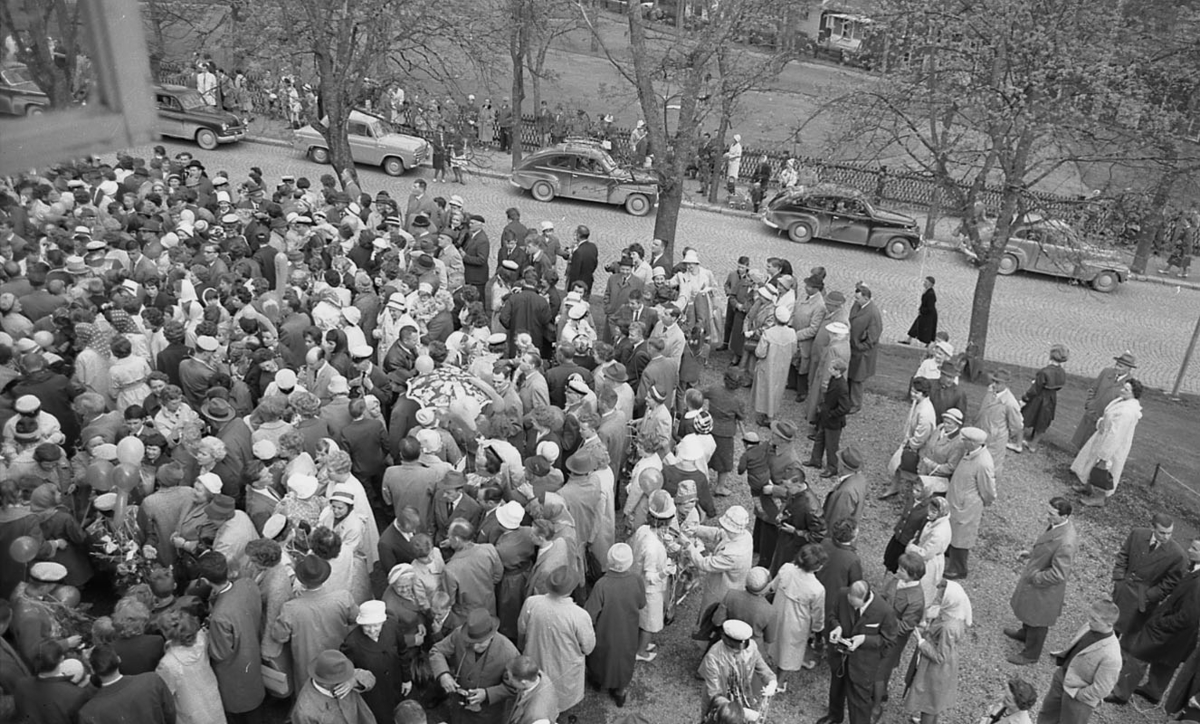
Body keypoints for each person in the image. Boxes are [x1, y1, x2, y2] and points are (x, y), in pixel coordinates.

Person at [1106, 536, 1200, 707]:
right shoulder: (1194, 569)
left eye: (1194, 549)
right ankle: (1153, 691)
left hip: (1170, 628)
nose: (1189, 550)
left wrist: (1159, 623)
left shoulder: (1198, 582)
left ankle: (1120, 693)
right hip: (1181, 633)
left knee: (1138, 656)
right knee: (1167, 661)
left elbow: (1188, 616)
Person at [1005, 497, 1078, 666]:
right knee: (1029, 610)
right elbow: (1047, 548)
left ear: (1064, 516)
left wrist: (1036, 577)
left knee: (1038, 621)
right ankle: (1025, 634)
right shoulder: (1057, 526)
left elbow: (1059, 574)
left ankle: (1031, 654)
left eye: (1052, 514)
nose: (1047, 516)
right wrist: (1031, 554)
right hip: (1038, 581)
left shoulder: (1066, 542)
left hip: (1045, 588)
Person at [817, 580, 899, 724]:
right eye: (850, 603)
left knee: (859, 700)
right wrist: (837, 626)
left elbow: (889, 640)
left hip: (863, 662)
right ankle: (834, 716)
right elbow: (832, 615)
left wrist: (865, 639)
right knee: (836, 688)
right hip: (840, 655)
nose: (853, 607)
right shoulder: (842, 594)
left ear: (865, 598)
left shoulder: (885, 611)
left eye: (856, 605)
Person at [198, 551, 266, 723]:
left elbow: (220, 654)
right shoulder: (247, 584)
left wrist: (206, 636)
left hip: (235, 673)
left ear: (205, 580)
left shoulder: (220, 616)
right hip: (253, 652)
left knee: (244, 712)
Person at [517, 566, 596, 712]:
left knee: (538, 698)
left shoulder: (532, 603)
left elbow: (521, 630)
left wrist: (523, 648)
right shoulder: (579, 615)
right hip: (565, 667)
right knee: (562, 697)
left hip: (535, 660)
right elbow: (588, 647)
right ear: (571, 589)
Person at [1036, 600, 1122, 724]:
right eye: (1089, 616)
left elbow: (1103, 688)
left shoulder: (1112, 655)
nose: (1089, 621)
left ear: (1109, 624)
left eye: (1094, 619)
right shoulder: (1089, 626)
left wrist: (1079, 694)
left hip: (1078, 697)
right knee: (1047, 715)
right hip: (1062, 678)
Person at [430, 608, 520, 724]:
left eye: (480, 643)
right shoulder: (459, 634)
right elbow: (437, 651)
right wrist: (443, 675)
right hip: (459, 711)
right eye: (471, 642)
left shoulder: (509, 653)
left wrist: (487, 694)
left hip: (487, 715)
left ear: (491, 636)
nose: (475, 647)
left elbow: (514, 687)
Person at [903, 580, 973, 724]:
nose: (938, 598)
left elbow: (940, 656)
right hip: (944, 667)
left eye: (941, 596)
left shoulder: (948, 627)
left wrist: (921, 642)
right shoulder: (954, 613)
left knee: (928, 703)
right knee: (935, 702)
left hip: (935, 670)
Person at [585, 543, 646, 707]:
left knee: (600, 658)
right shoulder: (636, 580)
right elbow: (642, 603)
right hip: (628, 631)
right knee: (624, 660)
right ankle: (620, 692)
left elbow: (590, 614)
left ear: (609, 561)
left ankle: (597, 681)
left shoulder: (602, 584)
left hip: (605, 631)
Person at [1109, 513, 1187, 637]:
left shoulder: (1177, 555)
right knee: (1109, 621)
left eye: (1169, 533)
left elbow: (1171, 582)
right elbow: (1124, 554)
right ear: (1152, 528)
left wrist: (1150, 596)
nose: (1166, 537)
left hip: (1143, 596)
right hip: (1124, 587)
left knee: (1131, 632)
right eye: (1162, 533)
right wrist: (1119, 577)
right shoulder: (1137, 534)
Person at [1070, 377, 1144, 507]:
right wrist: (1101, 423)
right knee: (1090, 461)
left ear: (1134, 393)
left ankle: (1099, 497)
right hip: (1103, 436)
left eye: (1126, 390)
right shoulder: (1121, 401)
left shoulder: (1127, 412)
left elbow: (1116, 434)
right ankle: (1088, 486)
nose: (1122, 390)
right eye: (1123, 387)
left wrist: (1105, 455)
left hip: (1112, 444)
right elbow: (1108, 416)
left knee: (1104, 470)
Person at [339, 600, 413, 724]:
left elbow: (403, 652)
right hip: (374, 695)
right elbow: (348, 672)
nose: (372, 630)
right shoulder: (351, 643)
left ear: (383, 622)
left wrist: (406, 679)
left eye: (376, 625)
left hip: (395, 684)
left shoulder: (393, 627)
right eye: (367, 626)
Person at [767, 543, 827, 689]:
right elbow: (818, 613)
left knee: (774, 641)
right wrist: (818, 629)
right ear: (818, 567)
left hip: (778, 612)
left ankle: (768, 670)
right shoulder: (817, 589)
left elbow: (772, 587)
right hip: (797, 623)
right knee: (789, 651)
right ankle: (779, 682)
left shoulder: (786, 568)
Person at [155, 610, 227, 724]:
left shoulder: (167, 664)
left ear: (166, 633)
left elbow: (165, 694)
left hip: (189, 710)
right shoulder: (202, 640)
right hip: (211, 699)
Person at [944, 427, 995, 580]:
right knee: (953, 529)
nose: (962, 441)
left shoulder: (983, 463)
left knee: (962, 537)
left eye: (965, 439)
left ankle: (959, 569)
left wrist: (982, 502)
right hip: (957, 499)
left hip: (967, 505)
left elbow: (988, 490)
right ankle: (950, 554)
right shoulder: (969, 452)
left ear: (973, 443)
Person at [78, 645, 176, 724]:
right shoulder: (152, 681)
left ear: (92, 670)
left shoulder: (88, 713)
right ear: (118, 659)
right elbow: (170, 714)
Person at [699, 620, 777, 719]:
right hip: (721, 704)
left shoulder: (751, 646)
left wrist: (771, 681)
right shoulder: (713, 656)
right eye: (734, 647)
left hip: (742, 696)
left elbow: (761, 666)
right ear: (726, 640)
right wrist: (741, 712)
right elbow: (714, 694)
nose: (739, 651)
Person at [1070, 351, 1136, 451]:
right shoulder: (1106, 372)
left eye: (1121, 366)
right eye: (1117, 365)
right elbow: (1093, 388)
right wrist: (1089, 403)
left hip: (1107, 416)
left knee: (1097, 442)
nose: (1117, 368)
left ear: (1128, 368)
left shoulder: (1130, 383)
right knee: (1084, 436)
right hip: (1093, 410)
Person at [289, 649, 376, 724]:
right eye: (341, 678)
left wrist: (354, 681)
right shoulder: (304, 711)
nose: (346, 678)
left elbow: (370, 678)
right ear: (326, 683)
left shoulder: (341, 673)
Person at [751, 306, 796, 427]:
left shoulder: (769, 333)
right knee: (777, 389)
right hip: (783, 367)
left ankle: (766, 415)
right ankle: (772, 413)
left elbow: (760, 352)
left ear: (775, 318)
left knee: (765, 390)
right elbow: (793, 351)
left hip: (768, 366)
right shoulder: (792, 333)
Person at [973, 368, 1023, 474]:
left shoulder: (1010, 403)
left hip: (995, 440)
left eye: (998, 383)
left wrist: (999, 433)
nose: (994, 384)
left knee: (991, 466)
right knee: (975, 459)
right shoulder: (990, 390)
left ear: (1006, 384)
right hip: (981, 430)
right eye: (993, 381)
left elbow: (1017, 425)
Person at [1020, 345, 1069, 452]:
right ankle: (1033, 445)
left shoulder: (1044, 372)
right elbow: (1059, 386)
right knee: (1043, 421)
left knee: (1026, 416)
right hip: (1051, 398)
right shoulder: (1062, 372)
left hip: (1039, 398)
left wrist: (1025, 399)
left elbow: (1035, 389)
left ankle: (1018, 442)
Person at [846, 285, 882, 414]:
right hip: (853, 348)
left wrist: (861, 347)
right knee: (850, 375)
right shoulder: (858, 305)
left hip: (862, 353)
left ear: (866, 298)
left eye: (858, 298)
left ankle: (855, 404)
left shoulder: (873, 313)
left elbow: (873, 336)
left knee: (857, 379)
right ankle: (848, 399)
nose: (855, 300)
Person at [504, 655, 560, 724]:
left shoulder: (537, 717)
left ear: (523, 682)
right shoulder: (535, 674)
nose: (509, 680)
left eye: (510, 678)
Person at [899, 276, 938, 346]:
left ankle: (927, 344)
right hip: (925, 314)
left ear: (930, 284)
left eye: (926, 282)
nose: (924, 283)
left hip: (929, 316)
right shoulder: (927, 291)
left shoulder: (931, 294)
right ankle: (909, 339)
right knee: (916, 326)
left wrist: (922, 310)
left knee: (927, 329)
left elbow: (930, 308)